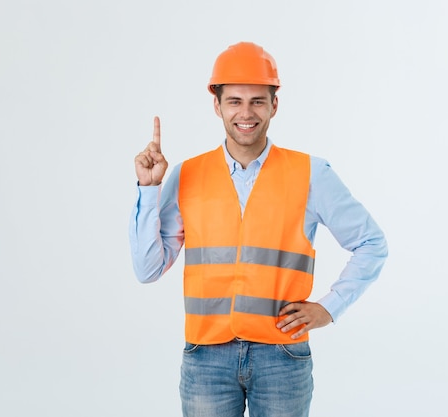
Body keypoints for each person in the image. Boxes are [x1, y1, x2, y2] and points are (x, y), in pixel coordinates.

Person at [129, 41, 388, 417]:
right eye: (234, 101)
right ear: (216, 105)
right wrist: (149, 189)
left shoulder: (312, 174)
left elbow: (371, 244)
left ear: (274, 105)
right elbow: (147, 269)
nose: (245, 113)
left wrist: (329, 309)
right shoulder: (186, 175)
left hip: (281, 356)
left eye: (257, 101)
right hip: (206, 359)